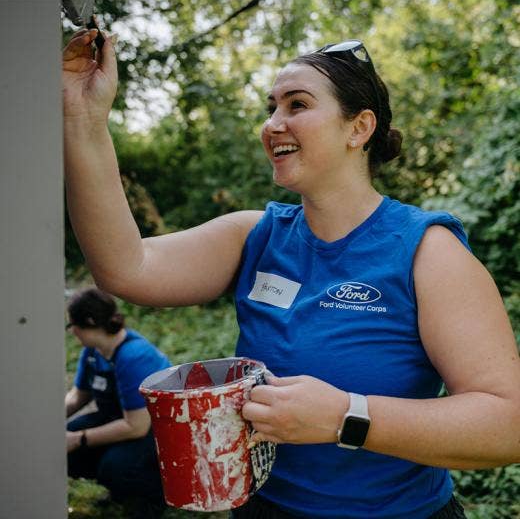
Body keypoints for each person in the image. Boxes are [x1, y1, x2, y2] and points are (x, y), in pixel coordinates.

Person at [63, 30, 520, 519]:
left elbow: (506, 425)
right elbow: (124, 268)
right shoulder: (255, 235)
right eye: (271, 107)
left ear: (359, 128)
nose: (273, 124)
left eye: (297, 105)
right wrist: (83, 116)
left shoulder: (427, 251)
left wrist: (349, 416)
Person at [65, 287, 171, 517]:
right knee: (63, 444)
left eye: (72, 324)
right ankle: (120, 488)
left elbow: (136, 426)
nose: (72, 331)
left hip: (159, 429)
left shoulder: (134, 355)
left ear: (89, 322)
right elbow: (77, 397)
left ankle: (154, 496)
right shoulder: (94, 352)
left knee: (115, 466)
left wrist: (79, 439)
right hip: (121, 418)